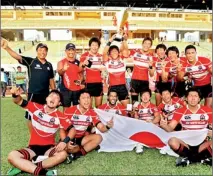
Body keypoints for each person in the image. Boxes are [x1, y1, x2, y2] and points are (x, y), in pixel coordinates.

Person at [7, 87, 76, 175]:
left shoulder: (60, 116)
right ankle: (42, 172)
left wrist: (64, 142)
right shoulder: (35, 107)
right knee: (12, 156)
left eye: (56, 98)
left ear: (59, 103)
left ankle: (25, 167)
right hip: (33, 148)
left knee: (63, 155)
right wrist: (15, 94)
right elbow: (18, 101)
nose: (53, 98)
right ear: (46, 98)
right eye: (51, 96)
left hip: (49, 148)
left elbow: (73, 130)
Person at [1, 38, 56, 133]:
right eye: (40, 50)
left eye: (45, 50)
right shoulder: (31, 61)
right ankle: (33, 136)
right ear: (37, 51)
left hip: (45, 95)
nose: (42, 52)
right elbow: (18, 57)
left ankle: (42, 133)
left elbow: (51, 79)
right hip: (33, 94)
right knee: (31, 116)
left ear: (46, 52)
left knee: (44, 115)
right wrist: (7, 48)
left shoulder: (49, 65)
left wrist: (54, 92)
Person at [160, 87, 212, 166]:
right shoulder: (180, 111)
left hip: (202, 144)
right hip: (186, 143)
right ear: (186, 99)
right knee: (172, 141)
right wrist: (164, 125)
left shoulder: (208, 110)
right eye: (190, 96)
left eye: (195, 96)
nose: (193, 98)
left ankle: (189, 159)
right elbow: (170, 128)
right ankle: (201, 159)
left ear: (199, 99)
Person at [63, 90, 114, 163]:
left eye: (88, 98)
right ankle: (79, 148)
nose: (86, 100)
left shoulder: (92, 112)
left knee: (99, 137)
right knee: (67, 150)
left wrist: (108, 126)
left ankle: (78, 154)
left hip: (81, 138)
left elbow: (102, 128)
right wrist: (65, 141)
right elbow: (62, 129)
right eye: (83, 98)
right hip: (69, 138)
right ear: (78, 100)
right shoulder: (70, 111)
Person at [103, 34, 130, 107]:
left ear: (118, 53)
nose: (114, 52)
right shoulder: (107, 62)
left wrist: (124, 40)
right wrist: (110, 41)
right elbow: (104, 53)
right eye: (112, 51)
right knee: (110, 108)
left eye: (115, 51)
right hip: (112, 87)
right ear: (110, 54)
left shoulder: (123, 60)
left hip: (123, 87)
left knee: (128, 108)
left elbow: (126, 50)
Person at [132, 88, 161, 154]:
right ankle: (139, 144)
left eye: (147, 95)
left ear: (150, 97)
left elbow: (158, 118)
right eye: (143, 95)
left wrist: (152, 122)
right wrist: (134, 112)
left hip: (151, 124)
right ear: (141, 97)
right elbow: (135, 119)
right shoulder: (137, 107)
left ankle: (160, 145)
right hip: (142, 126)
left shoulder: (153, 106)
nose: (145, 97)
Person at [128, 37, 155, 104]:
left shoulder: (152, 56)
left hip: (145, 82)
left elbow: (151, 74)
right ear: (142, 44)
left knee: (145, 103)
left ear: (150, 46)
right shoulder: (135, 52)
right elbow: (124, 53)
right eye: (145, 43)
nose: (146, 45)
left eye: (149, 44)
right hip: (134, 81)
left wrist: (150, 66)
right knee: (134, 103)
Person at [57, 43, 83, 110]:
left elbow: (81, 75)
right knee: (66, 110)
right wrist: (63, 69)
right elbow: (59, 73)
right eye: (69, 50)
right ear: (66, 51)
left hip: (76, 89)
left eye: (72, 50)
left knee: (76, 109)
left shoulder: (79, 63)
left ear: (75, 51)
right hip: (65, 89)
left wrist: (80, 81)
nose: (71, 52)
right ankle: (65, 121)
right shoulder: (61, 62)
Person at [80, 37, 105, 108]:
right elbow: (80, 69)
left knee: (99, 106)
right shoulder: (84, 55)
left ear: (98, 47)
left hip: (98, 83)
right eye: (93, 45)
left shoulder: (101, 56)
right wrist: (83, 64)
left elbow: (103, 68)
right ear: (90, 46)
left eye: (96, 45)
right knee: (88, 106)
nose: (94, 47)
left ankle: (97, 119)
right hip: (88, 84)